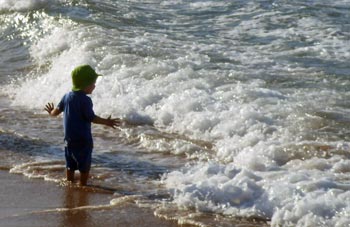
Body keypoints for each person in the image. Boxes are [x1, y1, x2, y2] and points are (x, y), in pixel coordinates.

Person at [45, 64, 120, 186]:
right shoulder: (85, 100)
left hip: (68, 141)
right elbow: (91, 118)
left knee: (70, 165)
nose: (94, 86)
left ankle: (69, 182)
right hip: (83, 141)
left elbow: (55, 113)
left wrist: (51, 111)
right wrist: (107, 122)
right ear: (85, 85)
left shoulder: (66, 96)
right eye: (92, 83)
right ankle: (82, 185)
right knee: (84, 166)